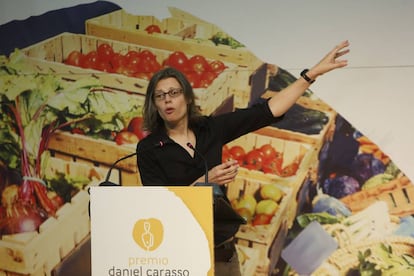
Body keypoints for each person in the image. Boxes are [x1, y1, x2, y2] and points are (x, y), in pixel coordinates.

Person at [136, 40, 350, 275]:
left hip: (222, 251)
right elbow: (158, 208)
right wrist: (204, 183)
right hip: (179, 255)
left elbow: (267, 111)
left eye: (174, 93)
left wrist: (310, 76)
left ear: (186, 98)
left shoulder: (210, 129)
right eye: (160, 96)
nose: (167, 99)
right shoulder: (149, 148)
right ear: (154, 104)